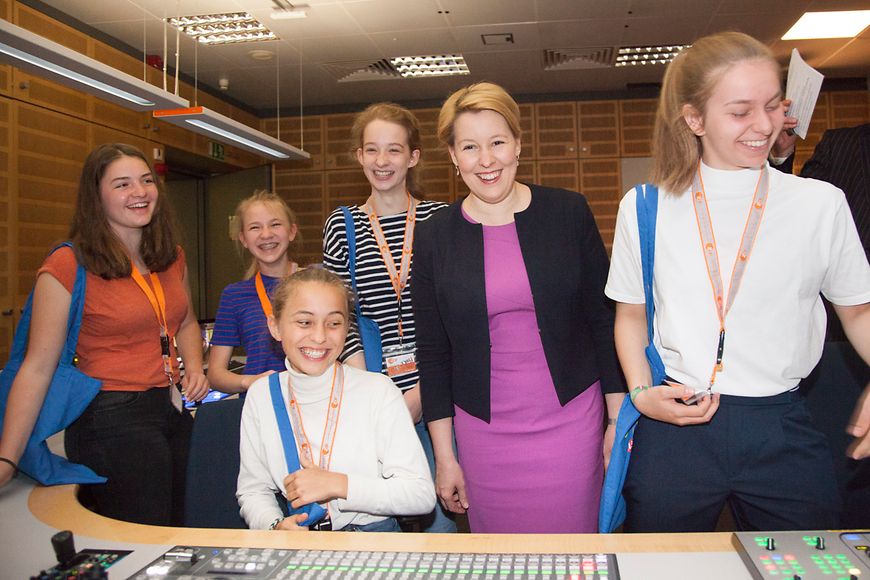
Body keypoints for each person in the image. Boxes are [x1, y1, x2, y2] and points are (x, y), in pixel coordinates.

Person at [605, 32, 870, 533]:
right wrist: (640, 393)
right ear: (694, 119)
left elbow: (858, 309)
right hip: (677, 424)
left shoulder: (820, 203)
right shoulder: (646, 206)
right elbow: (631, 316)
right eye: (740, 111)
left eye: (773, 106)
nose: (764, 126)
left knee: (812, 561)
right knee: (666, 569)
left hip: (783, 425)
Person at [412, 82, 625, 533]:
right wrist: (445, 457)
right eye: (470, 147)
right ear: (453, 156)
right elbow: (433, 354)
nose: (486, 160)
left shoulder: (568, 213)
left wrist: (616, 421)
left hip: (571, 422)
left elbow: (603, 322)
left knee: (574, 555)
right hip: (483, 433)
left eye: (497, 143)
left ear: (518, 145)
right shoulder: (434, 236)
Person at [0, 143, 209, 525]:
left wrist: (194, 366)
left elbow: (186, 322)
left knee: (184, 528)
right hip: (110, 417)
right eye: (122, 184)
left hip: (170, 408)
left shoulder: (170, 256)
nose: (140, 192)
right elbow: (36, 368)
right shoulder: (67, 264)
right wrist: (7, 458)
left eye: (146, 181)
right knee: (148, 531)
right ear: (96, 196)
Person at [322, 102, 455, 532]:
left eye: (394, 150)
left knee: (442, 527)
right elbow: (339, 318)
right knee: (381, 531)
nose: (383, 162)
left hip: (436, 395)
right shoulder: (342, 225)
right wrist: (375, 395)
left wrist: (419, 394)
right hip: (371, 401)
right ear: (359, 155)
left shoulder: (441, 220)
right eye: (372, 150)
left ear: (413, 156)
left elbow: (454, 316)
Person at [236, 268, 436, 531]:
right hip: (302, 546)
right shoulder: (262, 396)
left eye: (334, 323)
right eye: (304, 322)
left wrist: (338, 484)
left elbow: (419, 494)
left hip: (372, 545)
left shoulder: (377, 391)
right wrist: (274, 525)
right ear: (275, 327)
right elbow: (253, 491)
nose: (319, 337)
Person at [209, 191, 300, 393]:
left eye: (275, 224)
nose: (266, 234)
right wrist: (249, 382)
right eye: (254, 227)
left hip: (316, 402)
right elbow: (215, 374)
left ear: (292, 231)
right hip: (262, 405)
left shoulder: (317, 282)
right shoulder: (234, 296)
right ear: (243, 238)